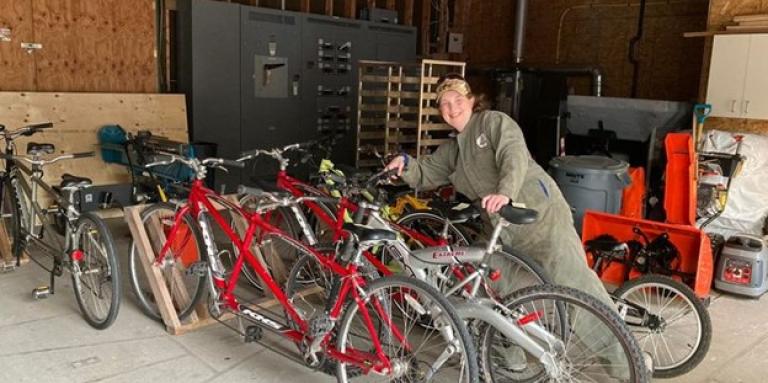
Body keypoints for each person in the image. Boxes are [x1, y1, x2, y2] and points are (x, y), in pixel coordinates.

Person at [384, 74, 615, 310]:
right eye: (444, 103)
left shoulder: (493, 122)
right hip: (498, 229)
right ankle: (500, 345)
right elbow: (424, 173)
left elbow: (512, 154)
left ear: (472, 101)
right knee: (480, 281)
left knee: (573, 284)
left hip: (539, 217)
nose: (452, 108)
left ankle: (616, 346)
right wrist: (404, 163)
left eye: (458, 100)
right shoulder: (453, 150)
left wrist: (505, 192)